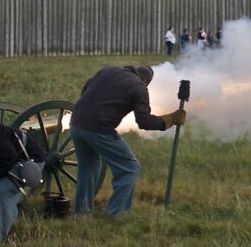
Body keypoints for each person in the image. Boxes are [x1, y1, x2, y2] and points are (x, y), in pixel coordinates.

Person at [68, 64, 184, 219]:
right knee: (130, 167)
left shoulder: (108, 70)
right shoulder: (140, 88)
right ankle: (116, 214)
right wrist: (168, 120)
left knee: (87, 168)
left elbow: (86, 88)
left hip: (76, 122)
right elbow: (144, 122)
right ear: (146, 81)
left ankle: (81, 213)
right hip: (99, 128)